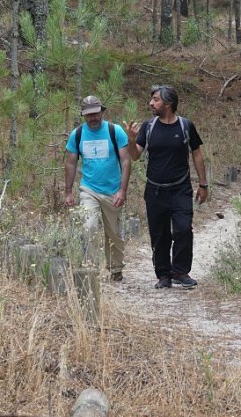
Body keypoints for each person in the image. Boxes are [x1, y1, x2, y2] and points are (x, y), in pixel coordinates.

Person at [125, 85, 207, 289]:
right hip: (155, 190)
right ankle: (163, 275)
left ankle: (180, 272)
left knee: (183, 229)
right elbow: (135, 156)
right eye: (152, 99)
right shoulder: (149, 126)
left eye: (155, 99)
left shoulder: (186, 126)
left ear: (168, 104)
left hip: (181, 189)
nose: (151, 103)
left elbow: (196, 153)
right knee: (159, 234)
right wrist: (131, 140)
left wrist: (203, 184)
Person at [65, 95, 131, 282]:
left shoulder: (115, 131)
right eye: (88, 115)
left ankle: (116, 269)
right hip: (89, 189)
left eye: (95, 114)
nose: (92, 118)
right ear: (83, 115)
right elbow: (70, 163)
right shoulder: (77, 134)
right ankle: (90, 270)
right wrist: (68, 191)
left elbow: (126, 161)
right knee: (89, 226)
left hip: (113, 191)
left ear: (102, 112)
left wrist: (122, 190)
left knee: (114, 233)